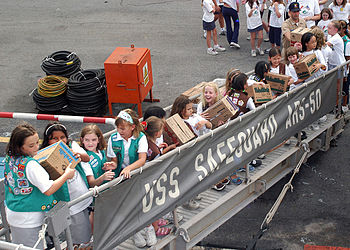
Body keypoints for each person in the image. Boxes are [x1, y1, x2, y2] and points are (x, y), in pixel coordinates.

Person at [4, 123, 75, 249]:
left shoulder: (10, 158)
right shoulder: (31, 165)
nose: (37, 147)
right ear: (19, 147)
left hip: (14, 211)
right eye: (31, 145)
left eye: (37, 142)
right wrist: (66, 175)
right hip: (29, 218)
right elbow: (48, 189)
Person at [41, 122, 93, 248]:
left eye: (62, 137)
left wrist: (77, 154)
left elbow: (87, 158)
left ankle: (81, 245)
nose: (60, 141)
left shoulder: (72, 145)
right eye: (55, 138)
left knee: (84, 229)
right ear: (48, 140)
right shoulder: (44, 155)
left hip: (81, 194)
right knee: (76, 232)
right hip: (68, 201)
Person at [103, 109, 148, 247]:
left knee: (138, 203)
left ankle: (146, 228)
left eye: (122, 128)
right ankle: (134, 231)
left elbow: (142, 159)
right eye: (118, 128)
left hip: (136, 175)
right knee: (125, 205)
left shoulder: (140, 137)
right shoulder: (113, 139)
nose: (119, 131)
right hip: (121, 177)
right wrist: (112, 164)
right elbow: (115, 160)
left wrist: (129, 168)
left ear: (132, 127)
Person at [326, 20, 346, 106]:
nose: (327, 29)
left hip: (338, 64)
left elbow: (326, 45)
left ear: (336, 29)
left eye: (330, 28)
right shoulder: (329, 36)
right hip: (331, 63)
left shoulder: (336, 38)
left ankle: (338, 104)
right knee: (332, 85)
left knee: (338, 86)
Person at [339, 20, 350, 111]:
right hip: (338, 66)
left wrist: (346, 73)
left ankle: (345, 104)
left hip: (345, 67)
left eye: (340, 29)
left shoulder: (347, 41)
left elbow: (347, 58)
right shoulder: (335, 38)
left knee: (345, 86)